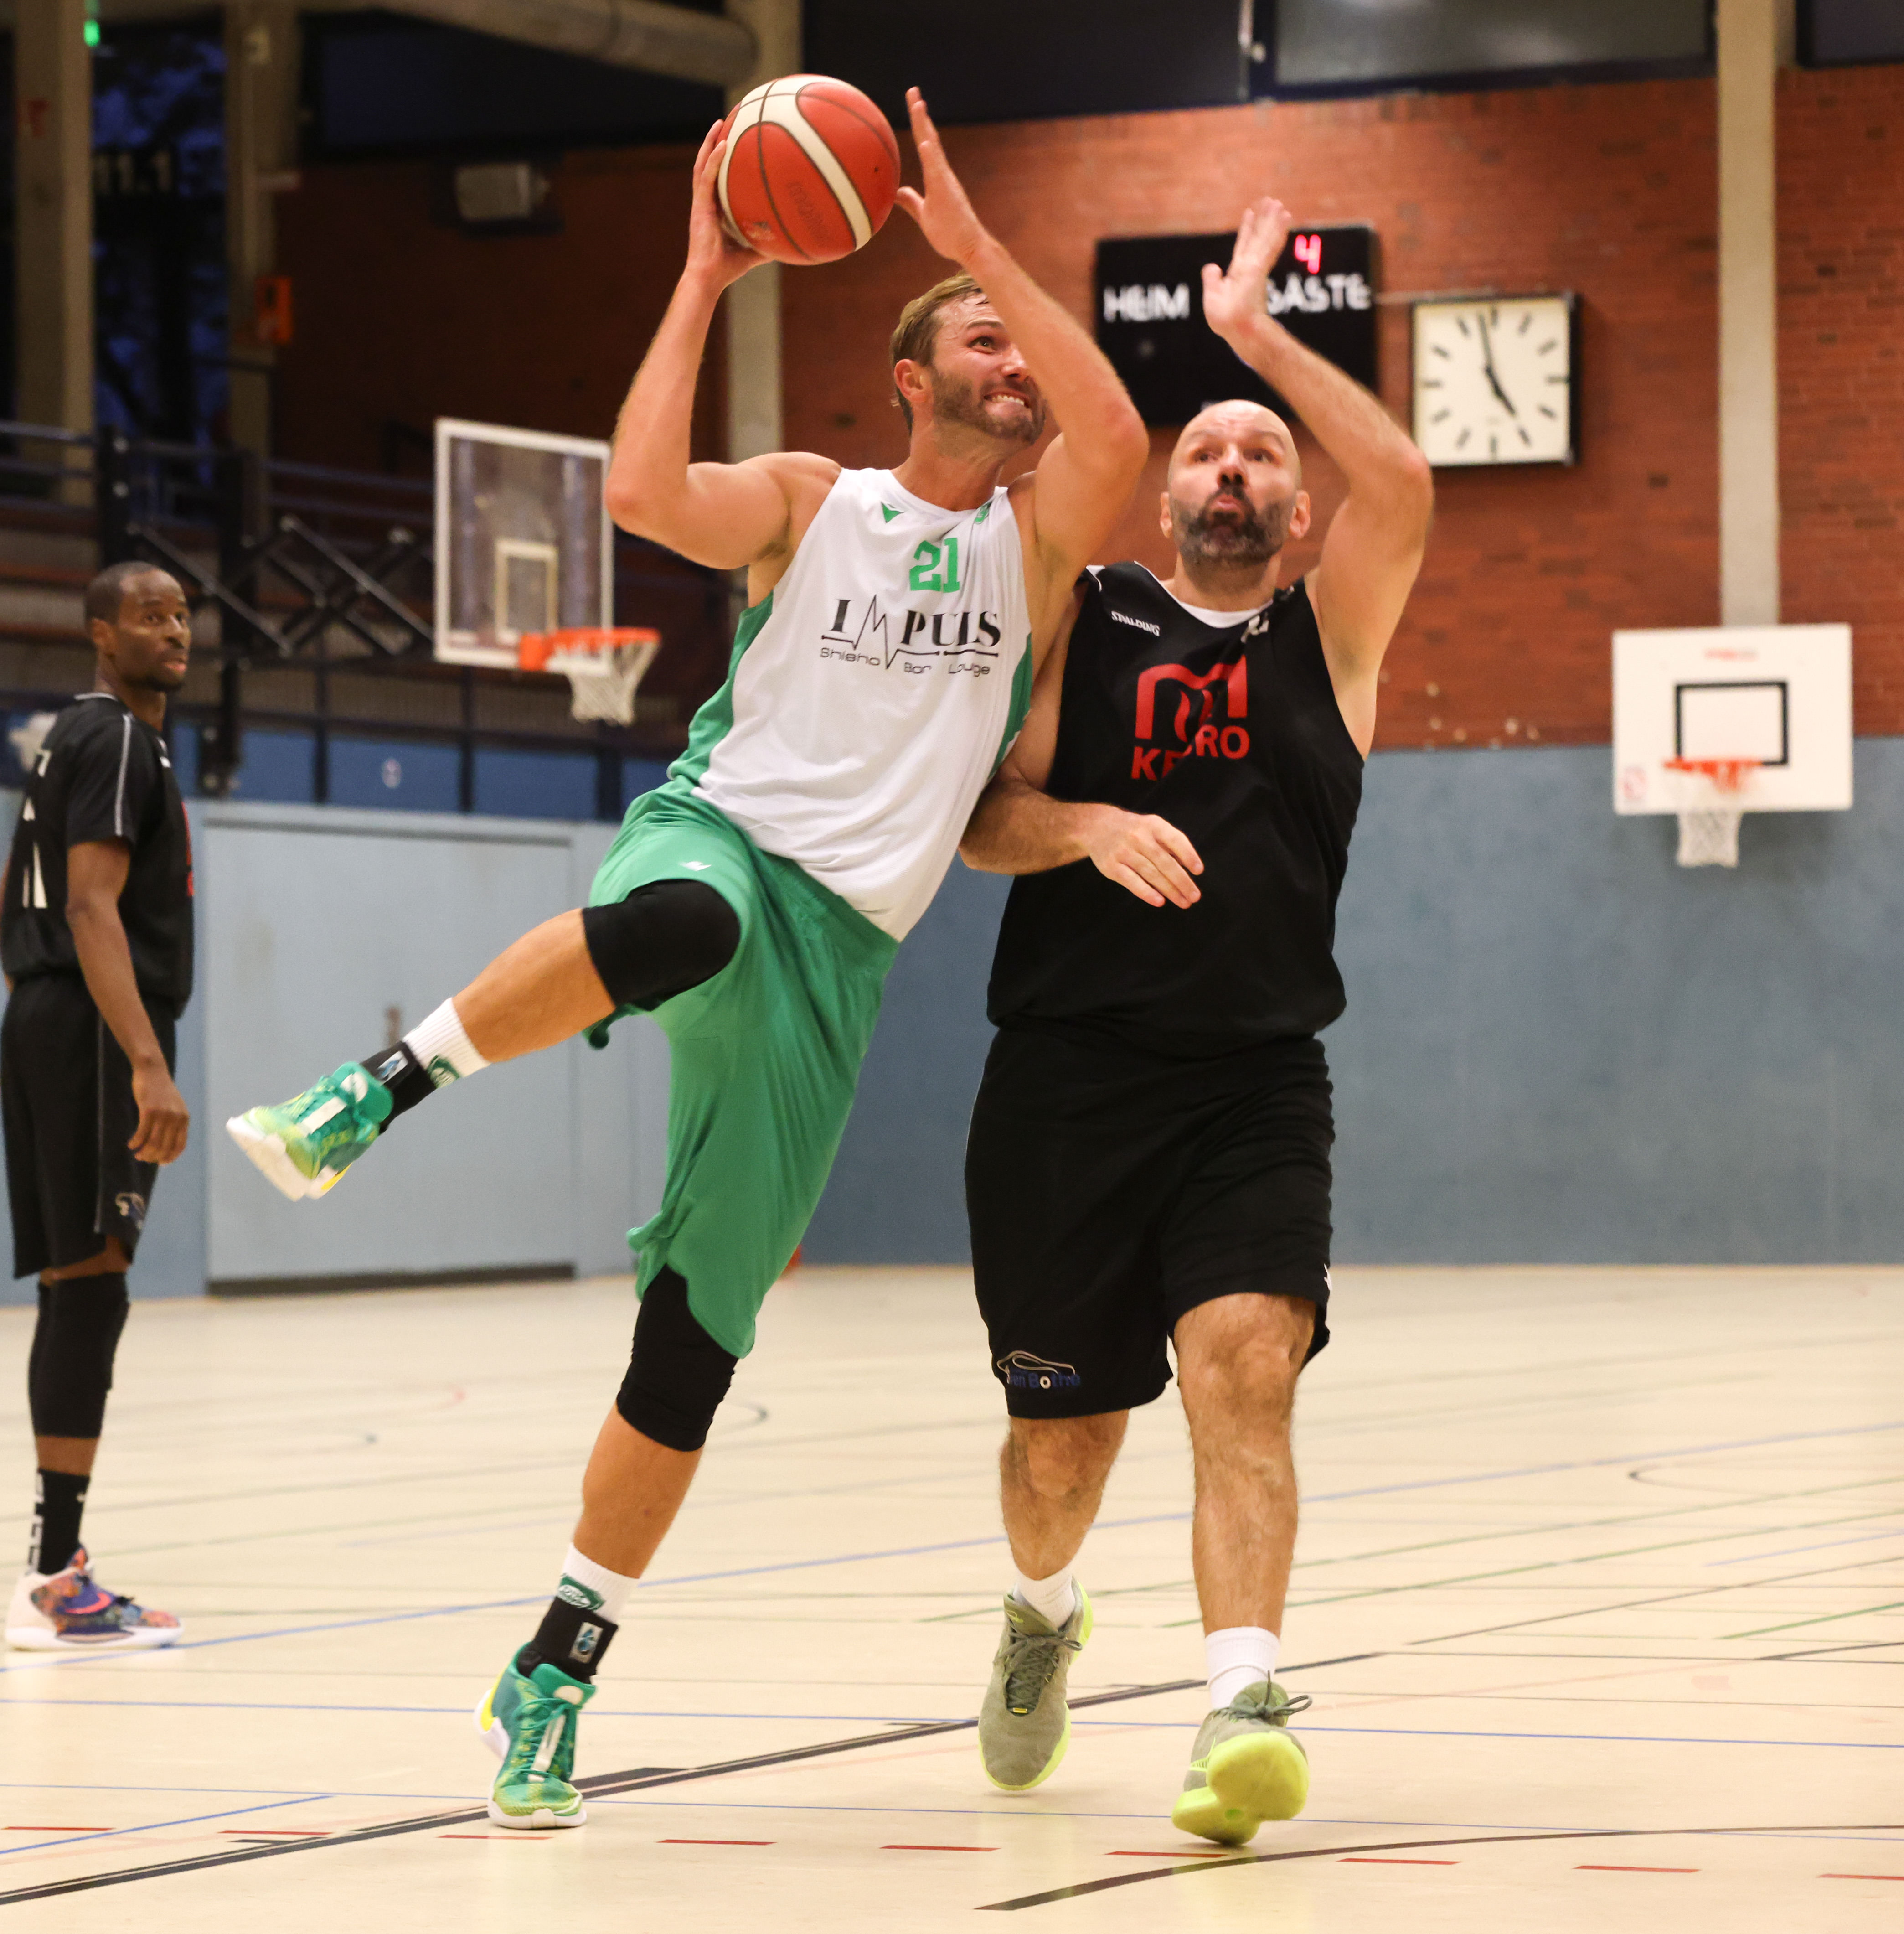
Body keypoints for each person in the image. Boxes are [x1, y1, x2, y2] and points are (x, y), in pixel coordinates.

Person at [225, 91, 1145, 1830]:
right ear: (908, 381)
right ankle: (376, 1088)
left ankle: (553, 1668)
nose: (1015, 357)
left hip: (842, 959)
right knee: (684, 920)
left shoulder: (1036, 551)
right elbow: (644, 491)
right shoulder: (814, 503)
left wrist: (979, 247)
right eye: (980, 336)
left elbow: (1118, 436)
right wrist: (704, 275)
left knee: (693, 1346)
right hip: (718, 837)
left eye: (1021, 340)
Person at [957, 199, 1433, 1844]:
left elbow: (1408, 482)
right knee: (1061, 1451)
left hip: (1253, 1085)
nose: (1232, 466)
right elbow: (979, 822)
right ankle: (1043, 1613)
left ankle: (1242, 1704)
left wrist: (1254, 338)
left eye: (1261, 453)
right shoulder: (1083, 618)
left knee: (1245, 1375)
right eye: (1206, 451)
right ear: (1166, 498)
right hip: (1065, 1082)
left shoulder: (1334, 637)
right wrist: (1082, 827)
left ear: (1296, 506)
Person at [3, 561, 194, 1651]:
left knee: (80, 1287)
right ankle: (50, 1582)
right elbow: (87, 904)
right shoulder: (117, 737)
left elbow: (17, 893)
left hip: (51, 1019)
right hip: (88, 1027)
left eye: (181, 615)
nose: (173, 630)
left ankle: (52, 1568)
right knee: (89, 1289)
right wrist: (144, 1062)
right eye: (148, 616)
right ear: (100, 634)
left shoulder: (68, 739)